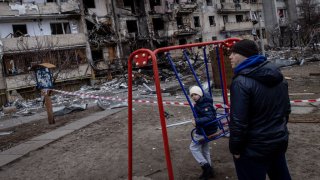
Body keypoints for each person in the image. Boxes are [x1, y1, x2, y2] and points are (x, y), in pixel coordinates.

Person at [228, 39, 291, 180]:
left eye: (234, 53)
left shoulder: (241, 82)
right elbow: (286, 111)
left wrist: (236, 149)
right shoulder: (278, 76)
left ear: (245, 55)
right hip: (277, 142)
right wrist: (279, 132)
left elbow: (238, 122)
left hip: (253, 149)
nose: (230, 56)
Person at [189, 86, 218, 180]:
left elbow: (210, 117)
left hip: (205, 130)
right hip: (208, 129)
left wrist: (197, 121)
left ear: (200, 94)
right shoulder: (201, 103)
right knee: (205, 149)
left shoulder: (204, 104)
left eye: (195, 94)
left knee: (193, 147)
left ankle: (206, 167)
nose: (194, 96)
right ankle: (209, 171)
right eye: (192, 95)